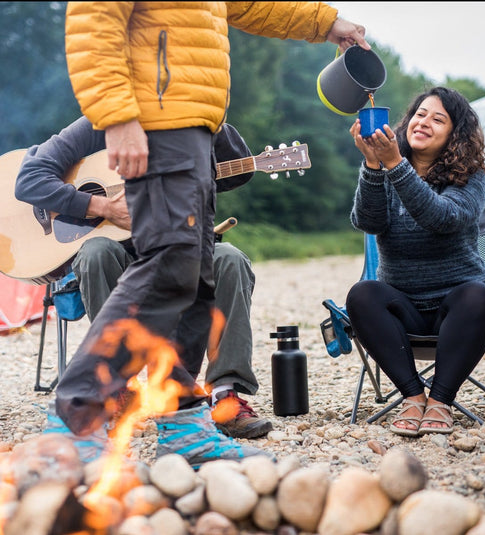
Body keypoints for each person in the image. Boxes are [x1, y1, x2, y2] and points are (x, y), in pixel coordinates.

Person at [47, 2, 369, 466]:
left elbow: (252, 4)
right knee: (168, 264)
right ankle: (78, 411)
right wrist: (116, 115)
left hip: (198, 124)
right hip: (159, 116)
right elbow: (92, 20)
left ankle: (181, 423)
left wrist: (324, 23)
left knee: (196, 278)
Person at [15, 117, 273, 444]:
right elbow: (28, 180)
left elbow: (244, 169)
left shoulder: (190, 123)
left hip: (184, 251)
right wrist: (101, 205)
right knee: (96, 252)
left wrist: (216, 122)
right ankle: (119, 386)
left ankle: (225, 393)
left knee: (231, 260)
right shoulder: (100, 124)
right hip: (119, 258)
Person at [345, 87, 485, 437]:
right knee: (362, 294)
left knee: (480, 297)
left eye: (438, 119)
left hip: (460, 310)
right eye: (420, 114)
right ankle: (413, 396)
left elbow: (443, 218)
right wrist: (374, 165)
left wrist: (394, 164)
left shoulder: (470, 177)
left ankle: (440, 401)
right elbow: (369, 222)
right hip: (403, 306)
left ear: (455, 135)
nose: (424, 122)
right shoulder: (388, 169)